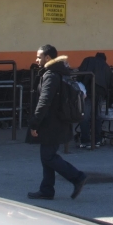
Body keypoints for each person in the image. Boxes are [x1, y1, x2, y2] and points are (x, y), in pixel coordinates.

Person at [27, 44, 87, 200]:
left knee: (48, 156)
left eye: (39, 57)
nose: (36, 59)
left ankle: (77, 177)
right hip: (57, 121)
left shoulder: (51, 75)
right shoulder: (59, 72)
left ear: (47, 58)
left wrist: (35, 123)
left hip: (51, 123)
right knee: (46, 155)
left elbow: (44, 101)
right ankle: (46, 190)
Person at [77, 52, 113, 149]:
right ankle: (97, 140)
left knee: (85, 116)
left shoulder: (89, 60)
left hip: (87, 91)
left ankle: (85, 140)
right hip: (100, 93)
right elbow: (112, 85)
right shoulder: (106, 66)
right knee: (97, 116)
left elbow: (80, 75)